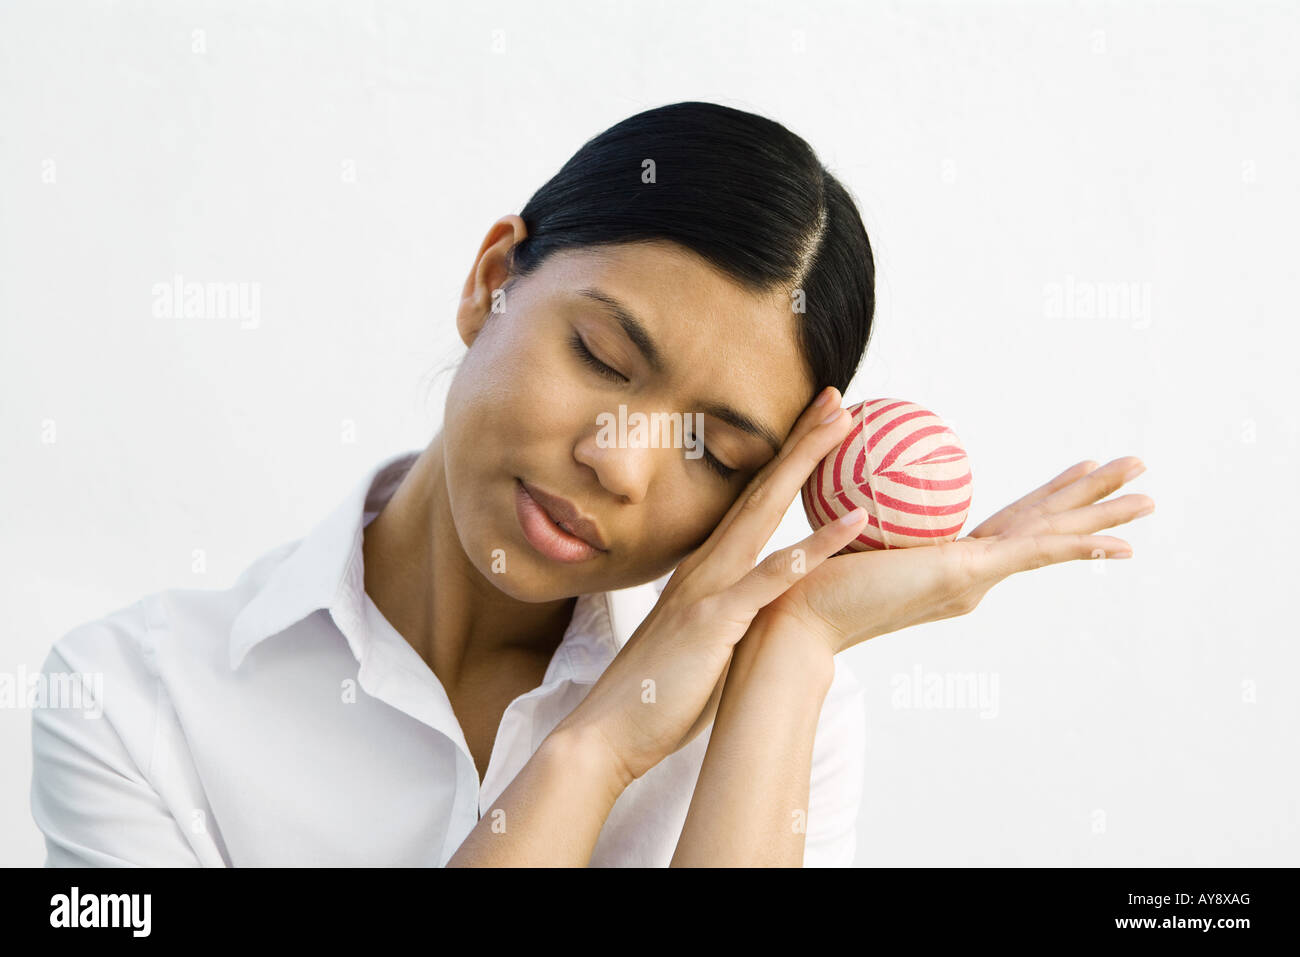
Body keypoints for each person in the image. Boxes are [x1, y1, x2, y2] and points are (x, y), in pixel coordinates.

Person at [30, 101, 1153, 867]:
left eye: (713, 449)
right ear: (490, 283)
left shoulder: (778, 705)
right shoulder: (134, 703)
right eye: (605, 360)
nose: (618, 460)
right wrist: (597, 747)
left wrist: (797, 647)